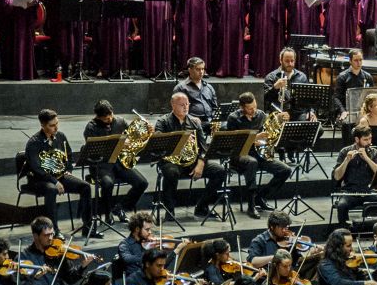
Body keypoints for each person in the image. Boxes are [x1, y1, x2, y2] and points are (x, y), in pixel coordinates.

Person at [23, 110, 98, 237]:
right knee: (51, 190)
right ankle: (54, 231)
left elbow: (69, 155)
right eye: (52, 125)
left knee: (85, 186)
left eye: (57, 123)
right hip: (39, 180)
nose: (56, 128)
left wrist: (68, 170)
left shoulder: (61, 136)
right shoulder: (34, 143)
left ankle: (88, 228)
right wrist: (55, 181)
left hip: (59, 176)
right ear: (43, 125)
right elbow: (37, 169)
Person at [155, 92, 228, 221]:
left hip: (192, 161)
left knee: (220, 171)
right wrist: (180, 139)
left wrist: (201, 163)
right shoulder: (163, 121)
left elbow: (204, 147)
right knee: (171, 172)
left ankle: (202, 206)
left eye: (187, 104)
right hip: (172, 161)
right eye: (182, 105)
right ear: (173, 105)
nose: (185, 107)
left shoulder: (194, 122)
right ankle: (169, 210)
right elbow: (158, 143)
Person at [225, 92, 293, 217]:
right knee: (252, 163)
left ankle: (260, 197)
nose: (254, 110)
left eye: (255, 107)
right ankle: (251, 206)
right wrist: (254, 138)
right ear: (242, 107)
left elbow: (269, 131)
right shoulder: (233, 118)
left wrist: (279, 119)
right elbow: (233, 143)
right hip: (239, 154)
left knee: (285, 170)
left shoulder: (261, 115)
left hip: (259, 153)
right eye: (250, 108)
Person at [82, 99, 149, 222]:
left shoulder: (120, 121)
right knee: (107, 184)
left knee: (142, 183)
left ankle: (120, 207)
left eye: (111, 115)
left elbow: (133, 136)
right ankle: (108, 213)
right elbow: (94, 151)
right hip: (101, 165)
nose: (109, 119)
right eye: (105, 118)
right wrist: (119, 144)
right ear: (98, 117)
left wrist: (145, 131)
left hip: (120, 163)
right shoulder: (91, 127)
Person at [332, 126, 377, 227]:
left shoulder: (373, 152)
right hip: (350, 192)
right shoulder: (345, 151)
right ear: (357, 139)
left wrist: (367, 158)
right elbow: (337, 177)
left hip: (369, 191)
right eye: (365, 139)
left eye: (370, 138)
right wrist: (346, 160)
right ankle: (345, 231)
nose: (369, 142)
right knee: (341, 206)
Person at [89, 0, 132, 78]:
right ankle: (104, 68)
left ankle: (120, 68)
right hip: (106, 14)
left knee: (120, 41)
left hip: (120, 14)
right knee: (105, 41)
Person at [0, 0, 41, 80]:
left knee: (26, 45)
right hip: (12, 20)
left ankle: (27, 72)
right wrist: (15, 3)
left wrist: (33, 2)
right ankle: (12, 73)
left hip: (26, 19)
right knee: (13, 46)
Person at [137, 0, 175, 77]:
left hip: (164, 11)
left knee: (164, 39)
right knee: (151, 38)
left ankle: (164, 69)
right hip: (150, 13)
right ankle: (151, 69)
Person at [214, 0, 248, 77]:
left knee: (237, 39)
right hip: (224, 12)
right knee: (223, 39)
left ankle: (236, 70)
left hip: (238, 12)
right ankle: (223, 69)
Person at [263, 47, 316, 123]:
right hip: (279, 114)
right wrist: (275, 87)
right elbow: (265, 99)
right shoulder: (271, 77)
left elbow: (309, 99)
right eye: (287, 61)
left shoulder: (302, 77)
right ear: (280, 60)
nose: (290, 64)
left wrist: (311, 112)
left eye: (292, 61)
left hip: (298, 114)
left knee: (315, 126)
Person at [332, 49, 373, 121]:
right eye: (356, 60)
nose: (359, 63)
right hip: (347, 111)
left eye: (360, 60)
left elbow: (371, 97)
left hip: (363, 111)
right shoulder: (342, 77)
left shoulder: (368, 77)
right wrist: (343, 111)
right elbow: (336, 98)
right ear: (350, 61)